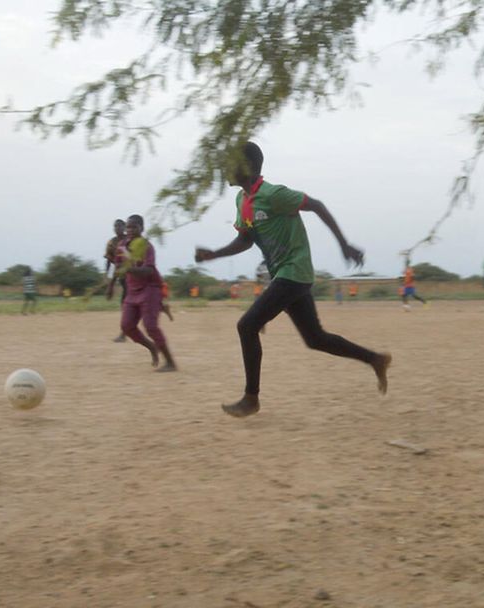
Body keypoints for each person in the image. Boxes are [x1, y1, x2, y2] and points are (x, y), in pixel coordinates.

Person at [194, 141, 391, 418]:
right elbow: (245, 239)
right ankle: (375, 359)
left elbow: (317, 206)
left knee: (247, 326)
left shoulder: (274, 194)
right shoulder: (242, 201)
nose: (225, 168)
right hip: (285, 275)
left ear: (247, 167)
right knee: (315, 338)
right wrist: (215, 254)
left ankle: (251, 398)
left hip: (294, 271)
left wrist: (344, 244)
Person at [107, 214, 177, 372]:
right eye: (128, 227)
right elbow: (117, 268)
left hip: (150, 288)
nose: (130, 230)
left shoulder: (146, 246)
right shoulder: (121, 247)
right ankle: (152, 347)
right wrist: (111, 285)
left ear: (142, 228)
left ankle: (171, 362)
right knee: (127, 326)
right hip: (132, 290)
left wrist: (129, 269)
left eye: (134, 227)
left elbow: (148, 270)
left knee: (151, 326)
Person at [104, 219, 128, 342]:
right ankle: (124, 332)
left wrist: (111, 284)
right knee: (126, 305)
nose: (117, 228)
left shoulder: (129, 240)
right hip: (122, 276)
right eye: (115, 226)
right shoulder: (112, 243)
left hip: (132, 275)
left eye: (120, 226)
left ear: (124, 227)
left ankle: (125, 333)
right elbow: (109, 260)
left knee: (127, 305)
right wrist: (106, 276)